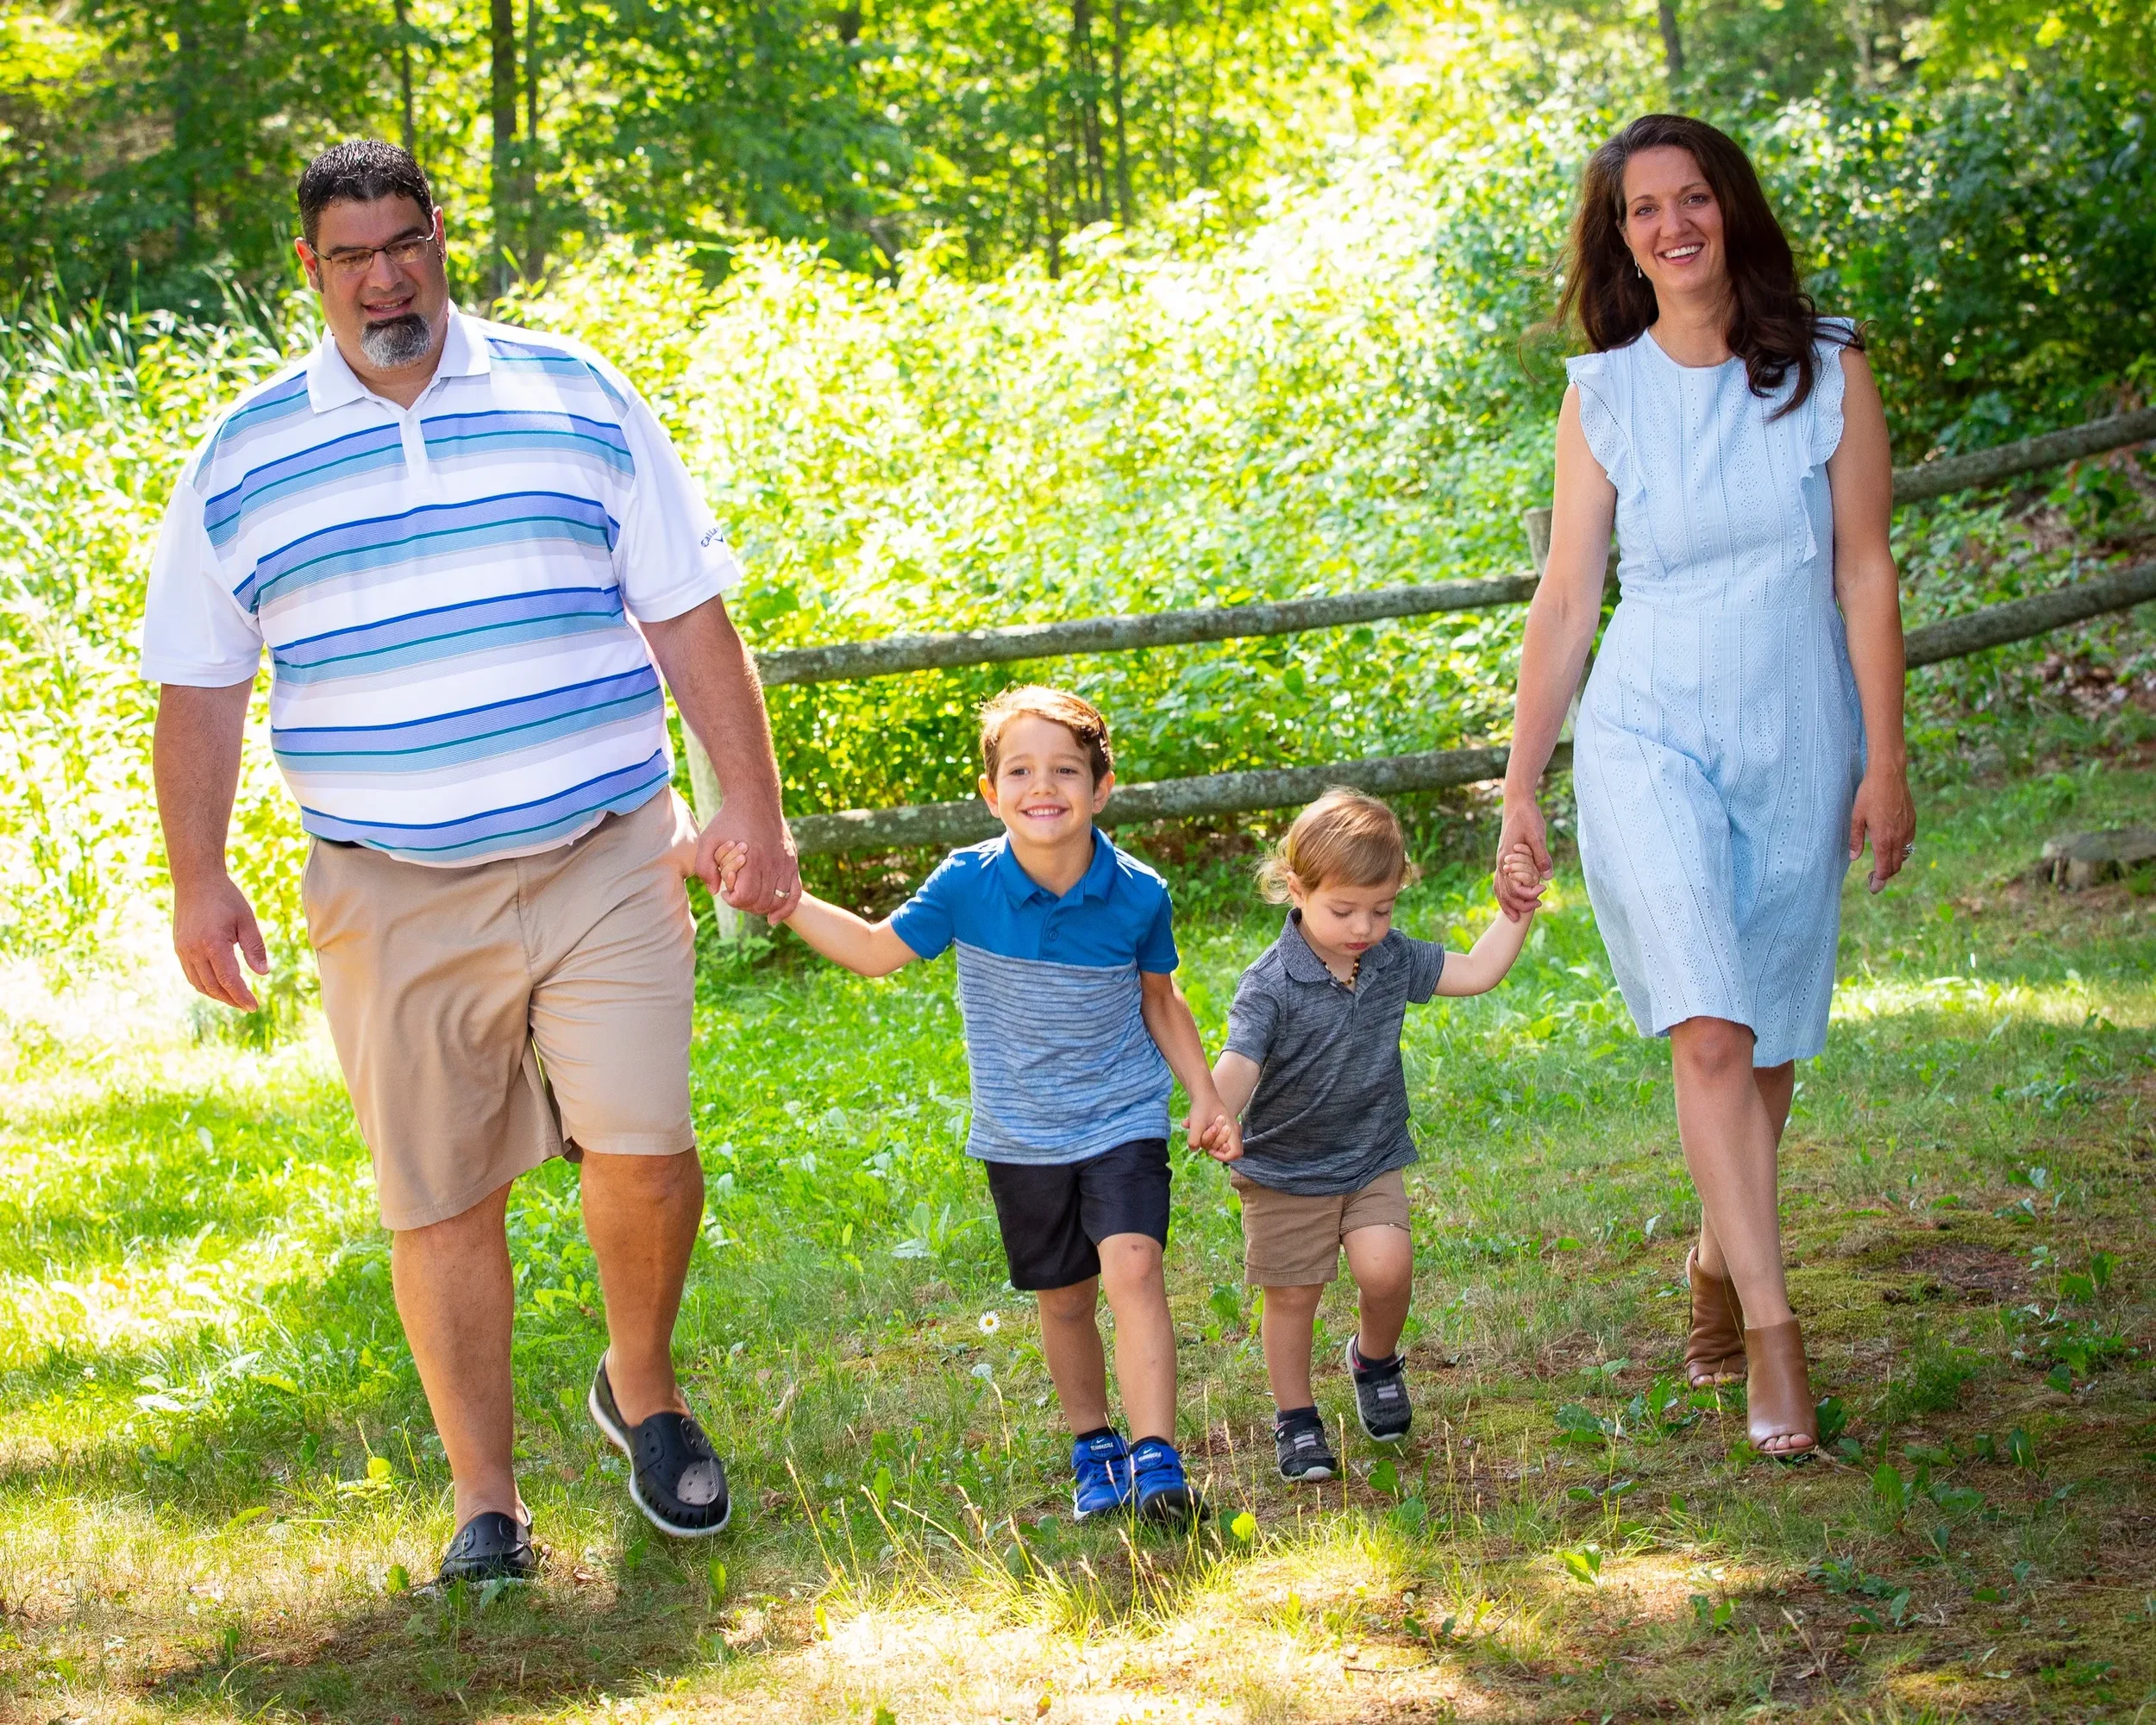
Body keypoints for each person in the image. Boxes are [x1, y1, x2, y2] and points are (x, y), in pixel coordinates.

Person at [141, 141, 802, 1583]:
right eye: (353, 255)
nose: (389, 277)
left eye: (408, 242)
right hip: (391, 883)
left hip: (605, 850)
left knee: (645, 1147)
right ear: (307, 272)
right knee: (439, 1196)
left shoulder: (575, 395)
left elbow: (689, 610)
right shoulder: (244, 456)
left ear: (443, 239)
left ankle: (645, 1393)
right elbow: (198, 684)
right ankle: (484, 1505)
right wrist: (200, 876)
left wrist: (746, 799)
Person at [1495, 115, 1915, 1459]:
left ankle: (1717, 1260)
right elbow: (1568, 601)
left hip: (1799, 727)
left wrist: (1889, 757)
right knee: (1710, 1032)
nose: (1670, 227)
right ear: (1619, 238)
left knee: (1770, 1034)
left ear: (1729, 211)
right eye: (1641, 211)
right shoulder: (1603, 393)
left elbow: (1863, 574)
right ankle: (1779, 1345)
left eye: (1692, 201)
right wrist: (1519, 785)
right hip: (1647, 728)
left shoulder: (1832, 372)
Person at [718, 686, 1239, 1522]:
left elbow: (1161, 999)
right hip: (1021, 1130)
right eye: (1021, 770)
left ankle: (1157, 1456)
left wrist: (1205, 1091)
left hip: (1121, 1114)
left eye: (1065, 769)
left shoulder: (1139, 892)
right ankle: (1094, 1443)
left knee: (1134, 1267)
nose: (1044, 786)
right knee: (1066, 1295)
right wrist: (782, 899)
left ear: (1101, 786)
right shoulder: (967, 883)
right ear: (992, 793)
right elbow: (877, 951)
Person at [1209, 791, 1543, 1483]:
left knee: (1387, 1270)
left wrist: (1517, 910)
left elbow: (1477, 972)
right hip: (1285, 1170)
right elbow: (1241, 1060)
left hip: (1371, 1155)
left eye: (1382, 908)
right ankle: (1296, 1416)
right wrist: (1217, 1111)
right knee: (1293, 1297)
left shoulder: (1390, 959)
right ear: (1296, 891)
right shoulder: (1269, 983)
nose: (1365, 926)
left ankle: (1375, 1357)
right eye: (1344, 910)